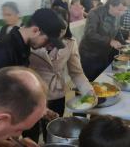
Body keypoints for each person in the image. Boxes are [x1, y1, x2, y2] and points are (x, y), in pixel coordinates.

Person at [29, 8, 94, 142]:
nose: (59, 33)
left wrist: (88, 90)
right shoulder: (32, 41)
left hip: (56, 92)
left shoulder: (70, 42)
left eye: (63, 28)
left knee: (54, 132)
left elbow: (76, 72)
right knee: (30, 134)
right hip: (32, 94)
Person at [0, 8, 66, 80]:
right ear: (35, 30)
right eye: (47, 41)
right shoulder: (3, 49)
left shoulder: (22, 46)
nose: (47, 47)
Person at [79, 0, 127, 81]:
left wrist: (124, 44)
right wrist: (110, 41)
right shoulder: (95, 13)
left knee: (101, 80)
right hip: (90, 55)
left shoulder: (117, 15)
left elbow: (117, 30)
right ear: (111, 5)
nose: (121, 13)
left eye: (123, 11)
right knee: (88, 82)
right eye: (119, 10)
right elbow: (90, 34)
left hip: (104, 54)